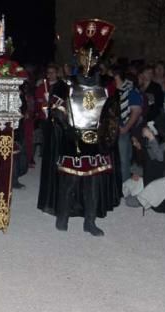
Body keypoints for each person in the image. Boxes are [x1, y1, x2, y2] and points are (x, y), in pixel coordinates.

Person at [39, 19, 120, 236]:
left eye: (94, 56)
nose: (90, 59)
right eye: (86, 55)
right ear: (78, 56)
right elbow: (56, 109)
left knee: (93, 183)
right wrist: (67, 128)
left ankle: (90, 221)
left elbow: (110, 114)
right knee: (70, 181)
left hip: (96, 141)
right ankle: (63, 217)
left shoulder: (104, 85)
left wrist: (106, 134)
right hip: (72, 139)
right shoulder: (66, 84)